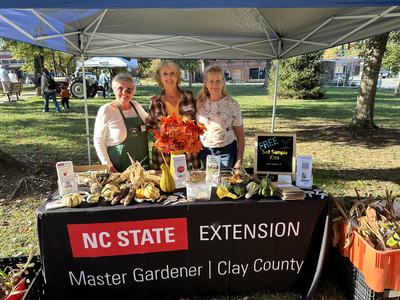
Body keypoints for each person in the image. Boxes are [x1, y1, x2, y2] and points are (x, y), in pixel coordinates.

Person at [145, 60, 199, 170]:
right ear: (160, 78)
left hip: (188, 153)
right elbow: (150, 126)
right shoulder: (156, 102)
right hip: (164, 156)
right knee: (166, 186)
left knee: (189, 184)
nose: (169, 77)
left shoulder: (189, 96)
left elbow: (198, 121)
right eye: (165, 74)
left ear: (178, 76)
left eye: (172, 73)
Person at [94, 73, 149, 173]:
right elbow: (98, 141)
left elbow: (151, 123)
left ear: (133, 91)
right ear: (114, 90)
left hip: (141, 169)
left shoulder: (136, 106)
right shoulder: (106, 110)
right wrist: (107, 165)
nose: (125, 92)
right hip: (118, 169)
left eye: (129, 89)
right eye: (120, 88)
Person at [196, 65, 245, 170]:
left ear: (223, 82)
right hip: (205, 151)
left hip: (226, 151)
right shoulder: (199, 103)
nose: (215, 85)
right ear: (206, 83)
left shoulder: (232, 104)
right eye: (211, 81)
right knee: (210, 183)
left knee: (223, 183)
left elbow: (240, 135)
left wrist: (240, 159)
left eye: (218, 81)